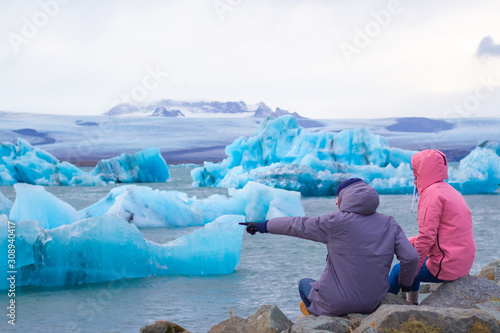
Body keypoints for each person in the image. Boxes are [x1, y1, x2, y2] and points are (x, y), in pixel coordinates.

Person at [241, 178, 419, 317]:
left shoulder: (334, 222)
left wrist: (262, 226)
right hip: (374, 302)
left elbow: (295, 225)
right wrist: (405, 284)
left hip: (337, 303)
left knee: (304, 284)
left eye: (338, 199)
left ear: (345, 199)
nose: (336, 203)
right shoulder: (390, 223)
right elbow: (411, 257)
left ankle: (316, 311)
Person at [388, 149, 476, 304]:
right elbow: (444, 234)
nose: (414, 175)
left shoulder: (431, 195)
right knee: (413, 258)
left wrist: (411, 270)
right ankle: (411, 303)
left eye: (415, 170)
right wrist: (409, 243)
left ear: (422, 170)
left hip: (447, 265)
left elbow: (427, 237)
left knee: (399, 270)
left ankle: (384, 306)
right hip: (462, 261)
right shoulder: (450, 191)